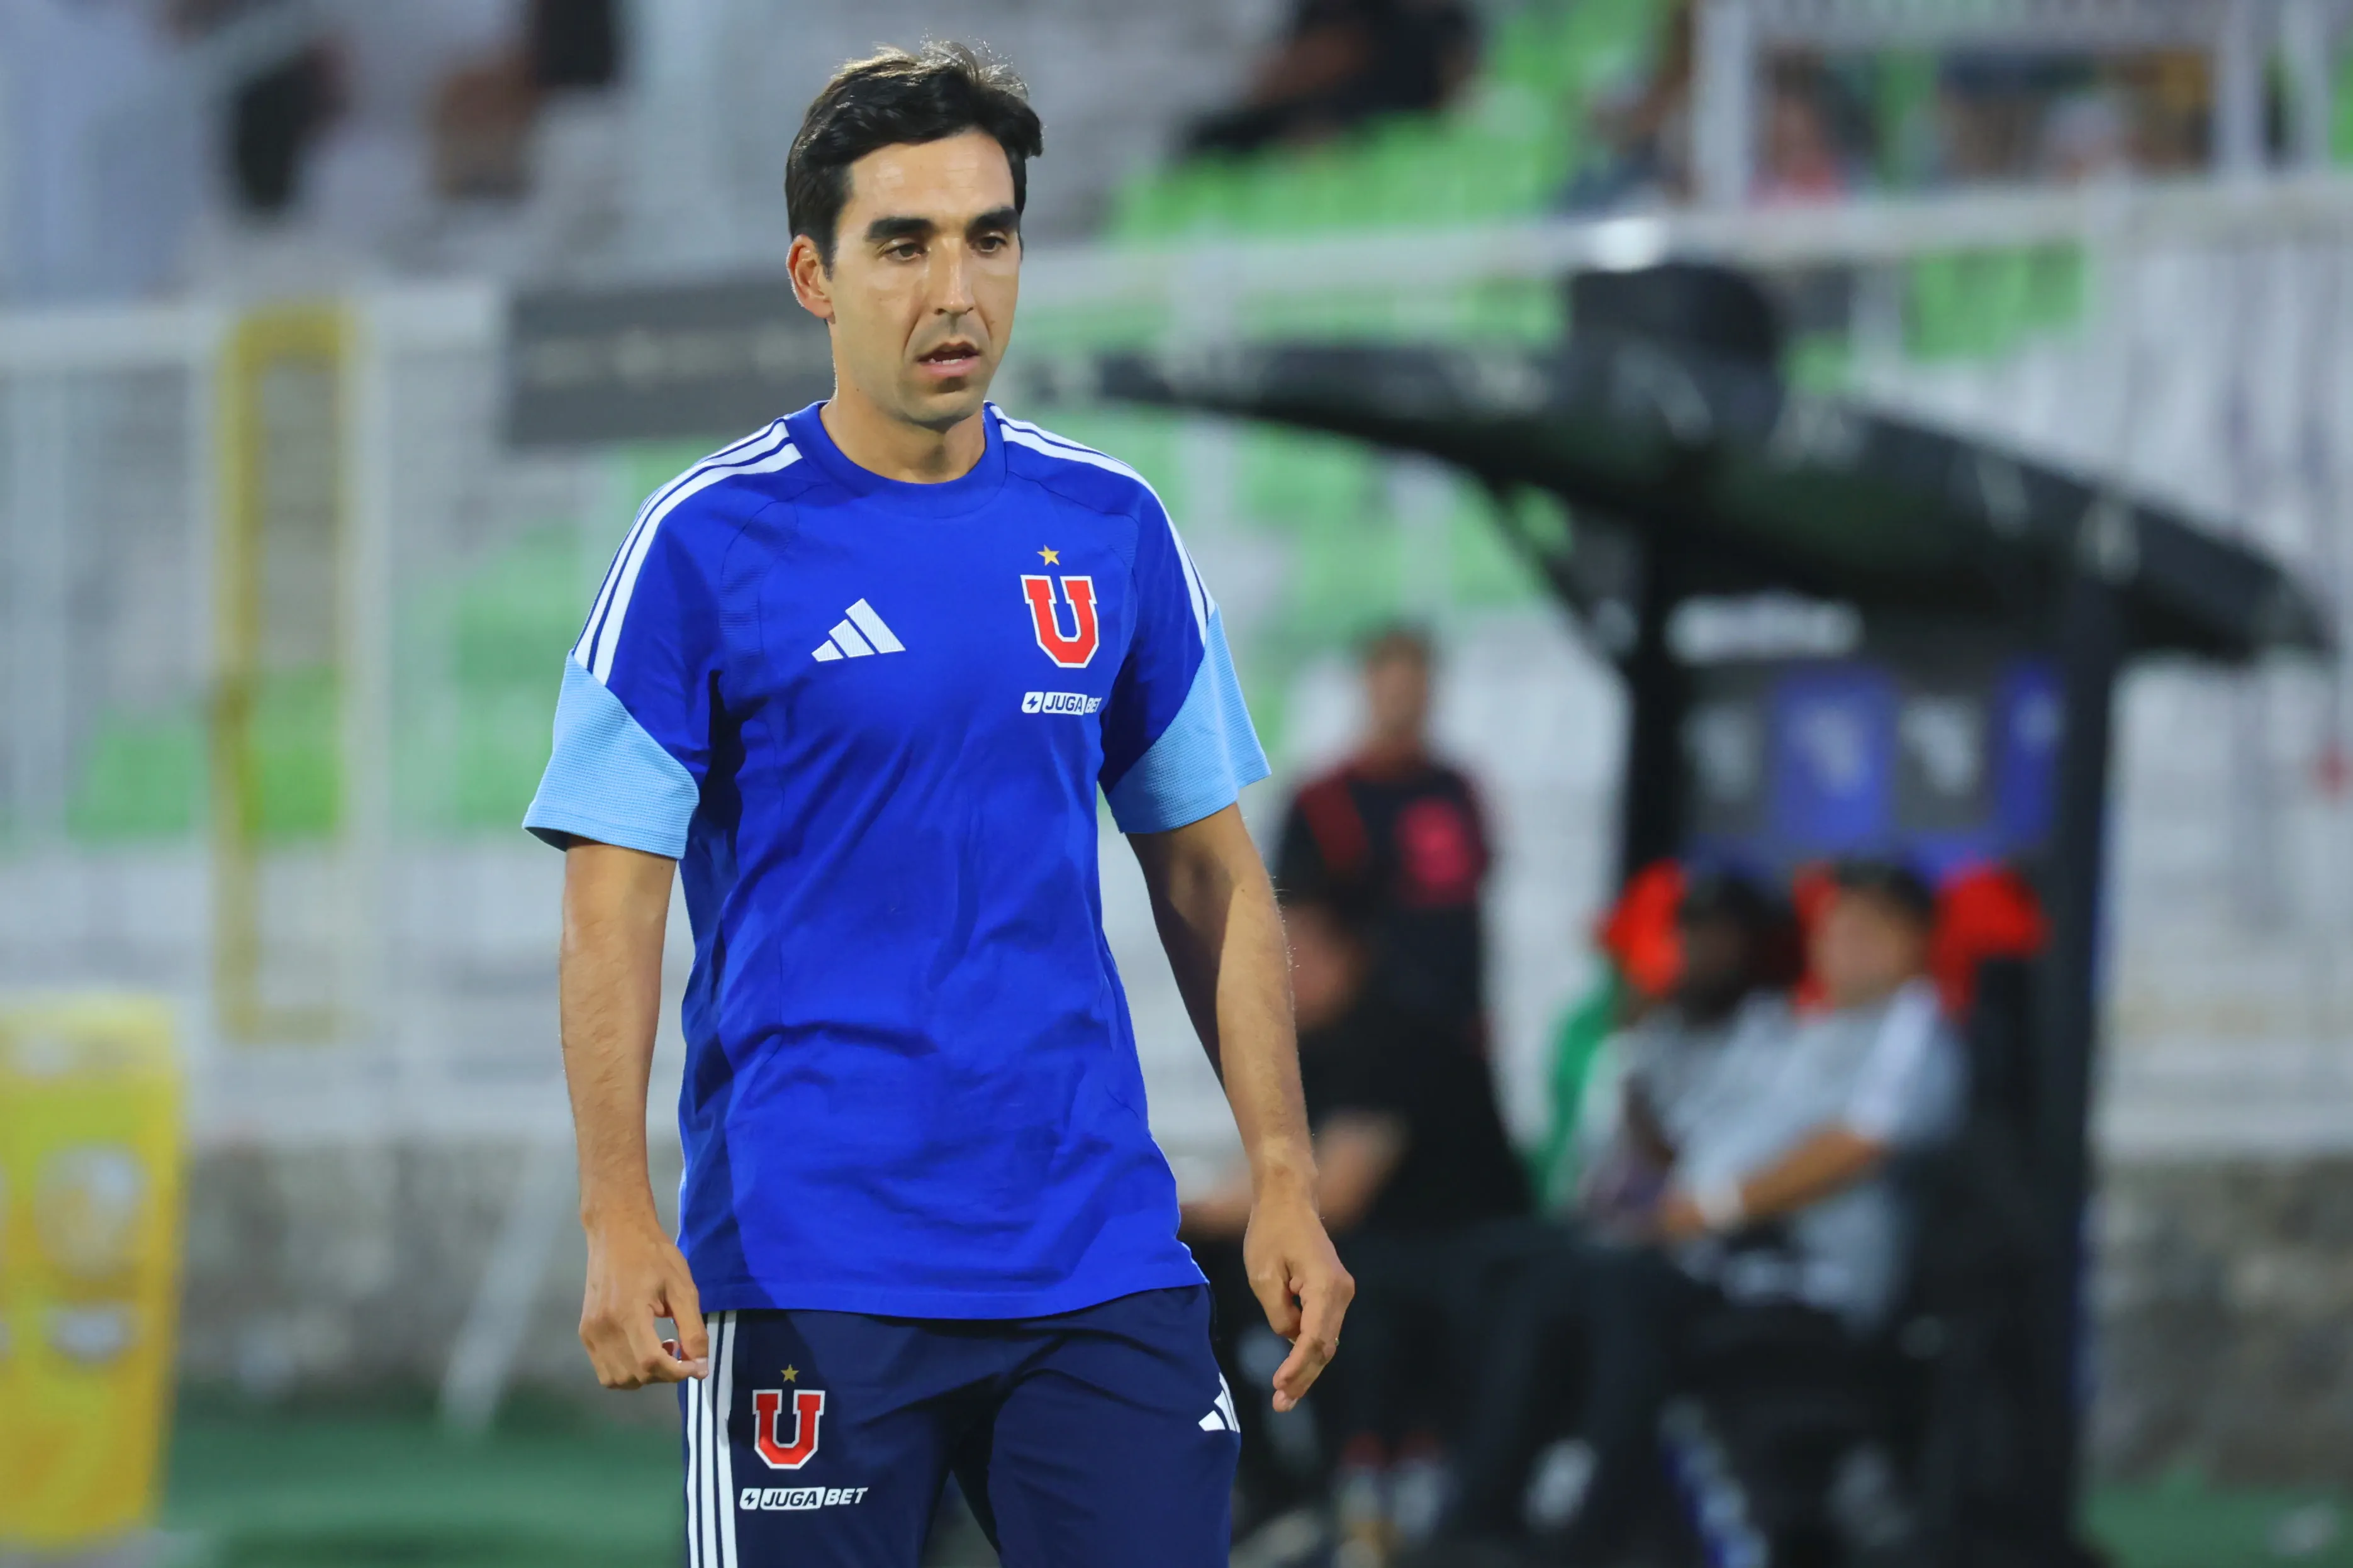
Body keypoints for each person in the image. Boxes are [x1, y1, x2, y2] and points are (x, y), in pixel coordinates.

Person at [521, 44, 1351, 1568]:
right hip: (812, 1261)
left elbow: (1213, 881)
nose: (954, 287)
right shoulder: (703, 545)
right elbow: (611, 899)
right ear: (813, 275)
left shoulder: (1110, 530)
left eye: (990, 236)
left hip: (1092, 1252)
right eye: (902, 244)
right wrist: (616, 1211)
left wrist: (1283, 1175)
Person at [1450, 860, 1964, 1563]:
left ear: (1914, 941)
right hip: (1710, 1252)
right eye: (1834, 929)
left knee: (1625, 1295)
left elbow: (1858, 1144)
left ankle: (1592, 1537)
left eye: (1866, 931)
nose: (1844, 946)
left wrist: (1710, 1209)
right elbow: (1699, 1139)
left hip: (1802, 1277)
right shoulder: (1798, 1029)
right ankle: (1477, 1517)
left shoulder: (1911, 1030)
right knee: (1534, 1274)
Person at [1185, 889, 1527, 1562]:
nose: (1280, 973)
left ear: (1351, 954)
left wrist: (1174, 1213)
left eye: (1297, 954)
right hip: (1381, 1249)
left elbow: (1332, 1194)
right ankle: (1259, 1481)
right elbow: (1260, 1180)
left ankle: (1346, 1491)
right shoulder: (1308, 1049)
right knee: (1197, 1266)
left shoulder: (1395, 1033)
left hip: (1458, 1253)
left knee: (1295, 1273)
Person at [1277, 625, 1490, 1047]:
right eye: (1393, 688)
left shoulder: (1457, 790)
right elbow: (1299, 928)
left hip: (1453, 1032)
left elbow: (1469, 907)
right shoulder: (1324, 801)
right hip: (1362, 1039)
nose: (1404, 701)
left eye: (1414, 687)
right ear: (1368, 686)